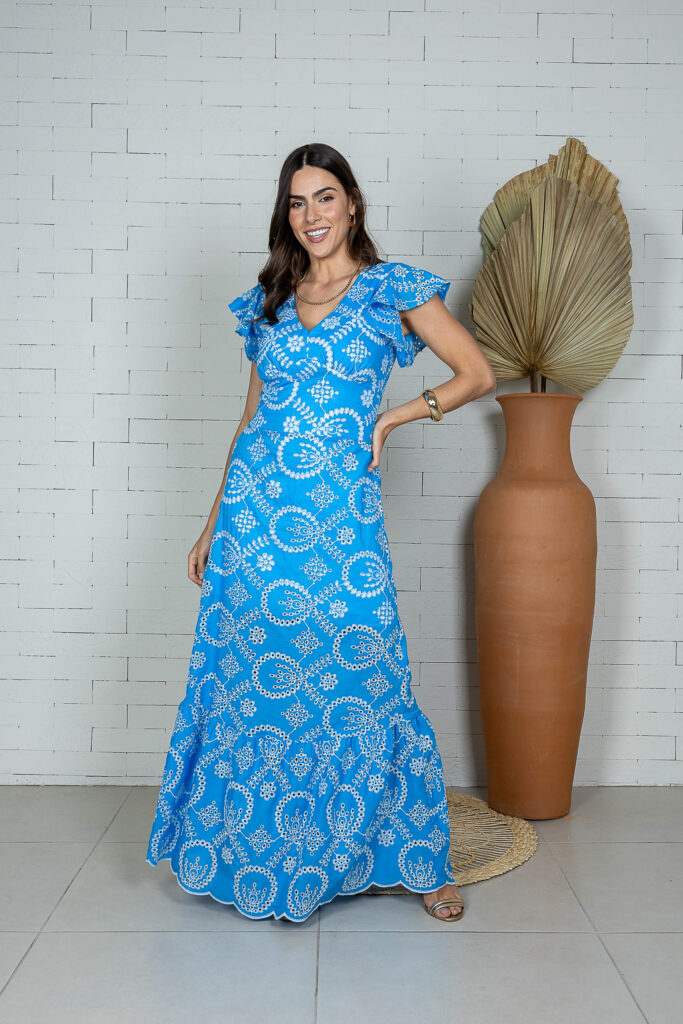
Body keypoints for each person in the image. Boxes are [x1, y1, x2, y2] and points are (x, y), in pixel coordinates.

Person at [146, 142, 496, 923]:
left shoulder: (388, 290)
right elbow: (250, 420)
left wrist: (395, 418)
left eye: (325, 197)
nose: (311, 215)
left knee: (368, 674)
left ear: (352, 203)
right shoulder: (268, 301)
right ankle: (259, 850)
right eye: (297, 202)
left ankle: (417, 859)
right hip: (254, 521)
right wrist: (211, 524)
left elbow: (476, 374)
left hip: (341, 521)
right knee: (252, 687)